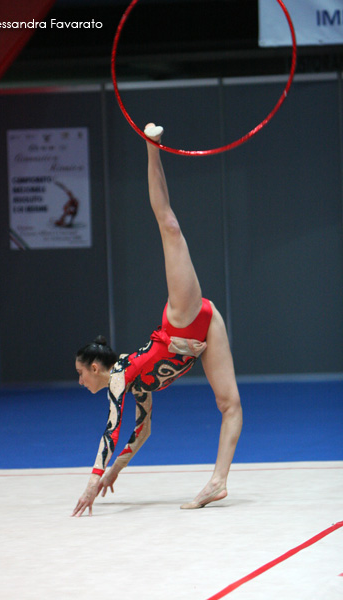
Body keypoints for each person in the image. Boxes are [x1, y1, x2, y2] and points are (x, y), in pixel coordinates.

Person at [72, 124, 242, 517]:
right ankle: (218, 482)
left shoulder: (119, 377)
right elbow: (142, 429)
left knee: (169, 227)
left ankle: (152, 147)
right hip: (201, 337)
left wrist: (95, 477)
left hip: (183, 324)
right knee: (229, 404)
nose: (81, 382)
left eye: (81, 374)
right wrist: (116, 469)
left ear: (97, 368)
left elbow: (111, 430)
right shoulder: (137, 386)